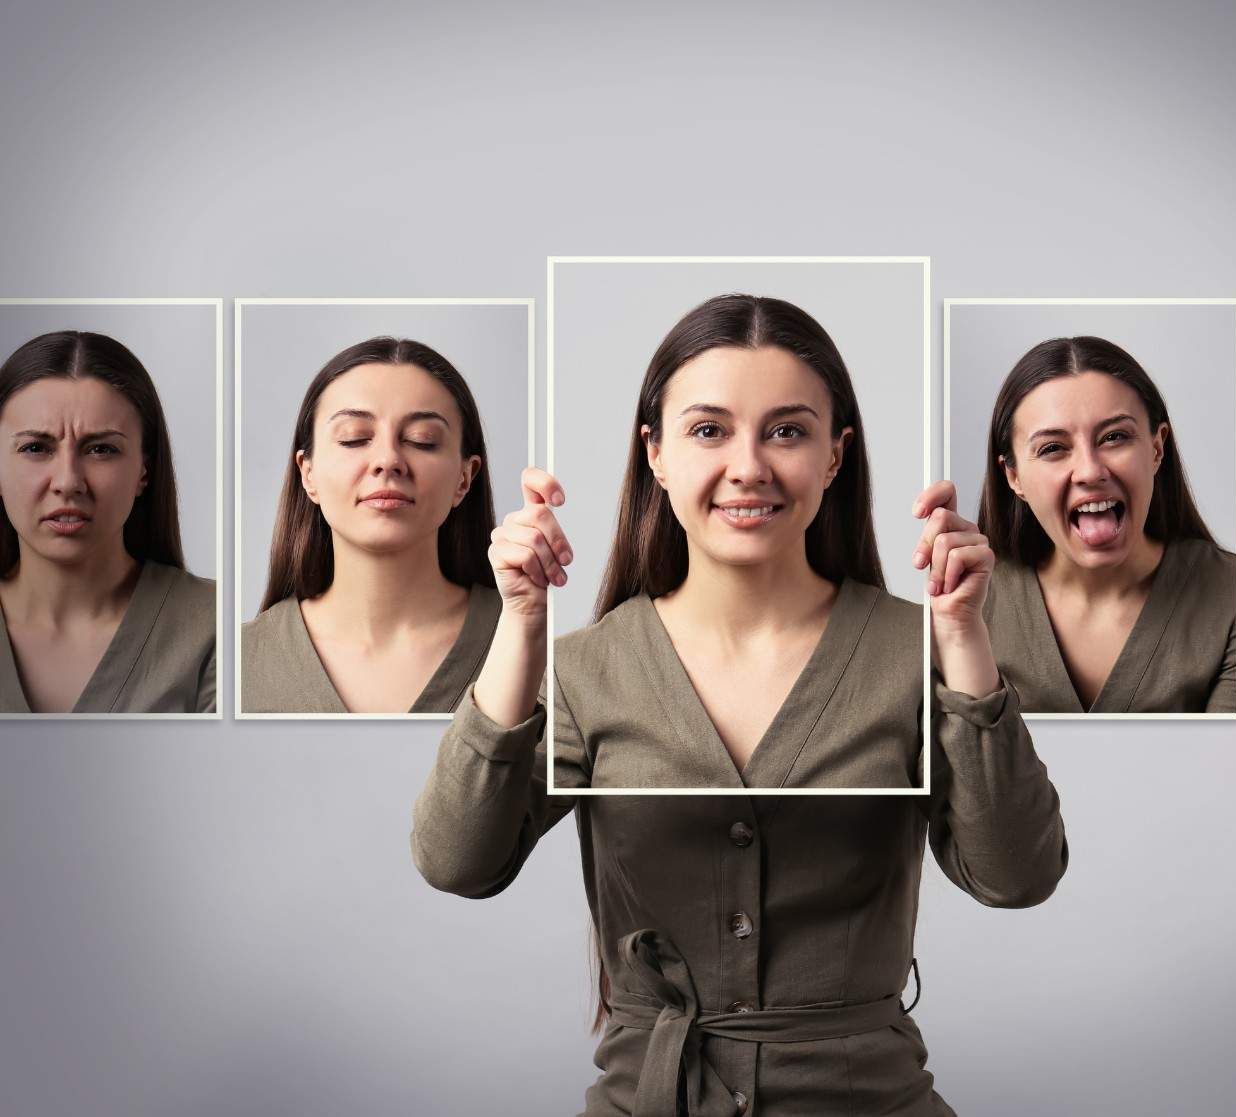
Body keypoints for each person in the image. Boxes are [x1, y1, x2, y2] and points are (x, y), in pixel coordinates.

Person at [411, 294, 1067, 1114]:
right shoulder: (587, 669)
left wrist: (966, 638)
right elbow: (457, 861)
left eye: (787, 430)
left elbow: (1017, 875)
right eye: (709, 429)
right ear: (655, 453)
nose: (749, 465)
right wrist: (519, 623)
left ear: (835, 455)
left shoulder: (920, 649)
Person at [970, 335, 1236, 713]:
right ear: (1013, 477)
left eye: (1114, 437)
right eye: (1053, 448)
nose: (1091, 471)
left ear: (1156, 448)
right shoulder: (969, 605)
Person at [240, 336, 500, 714]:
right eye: (354, 438)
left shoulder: (530, 642)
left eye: (421, 440)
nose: (388, 460)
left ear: (465, 477)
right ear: (307, 474)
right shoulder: (235, 665)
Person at [0, 330, 215, 714]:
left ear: (143, 471)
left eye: (101, 449)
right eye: (35, 448)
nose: (67, 482)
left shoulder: (218, 627)